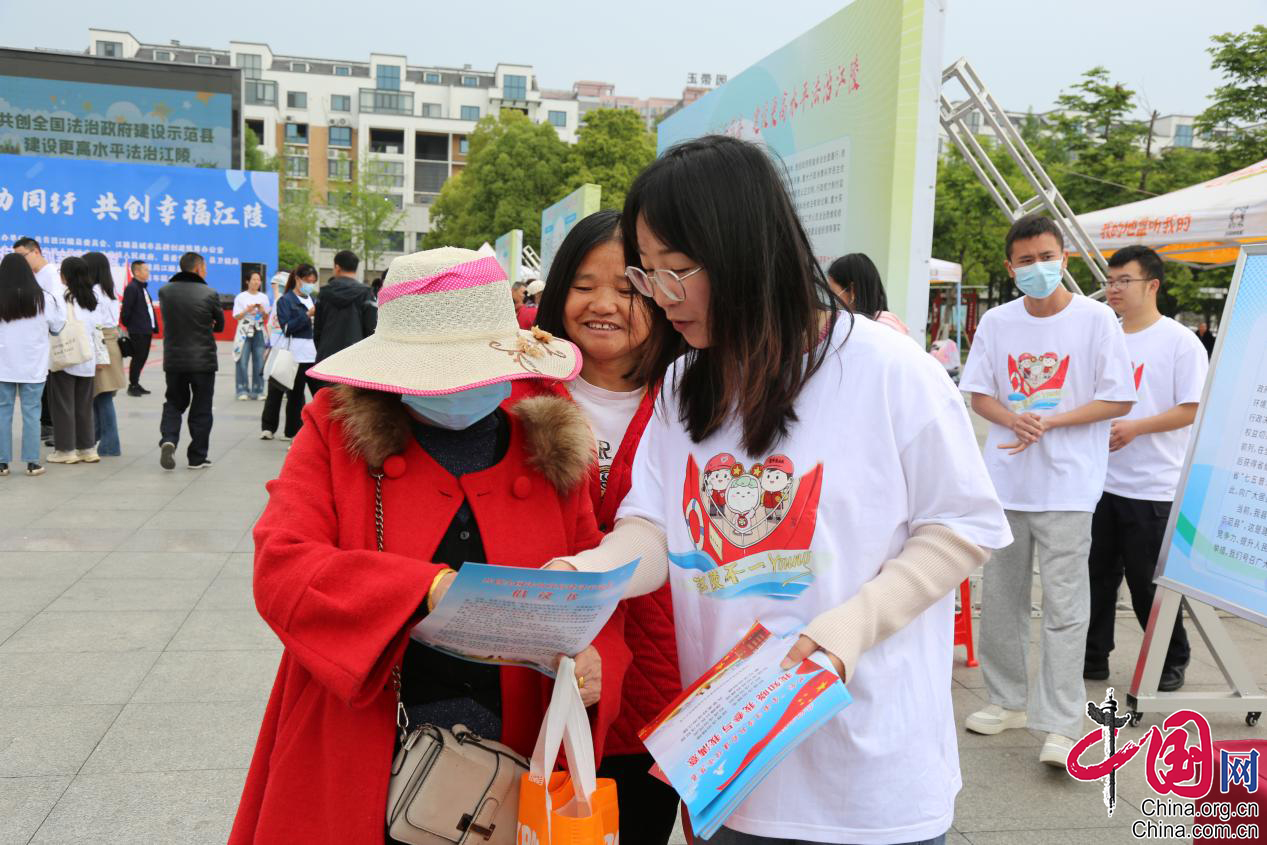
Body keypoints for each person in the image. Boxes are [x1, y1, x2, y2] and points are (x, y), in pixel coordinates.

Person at [548, 136, 1010, 845]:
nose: (660, 297)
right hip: (729, 766)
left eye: (675, 271)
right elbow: (654, 529)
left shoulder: (888, 370)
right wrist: (585, 574)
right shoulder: (684, 383)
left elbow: (962, 526)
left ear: (744, 253)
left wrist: (850, 629)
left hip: (865, 774)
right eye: (649, 273)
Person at [229, 246, 630, 845]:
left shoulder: (549, 445)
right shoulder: (335, 430)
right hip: (366, 743)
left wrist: (598, 659)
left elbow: (594, 587)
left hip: (514, 759)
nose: (457, 386)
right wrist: (426, 589)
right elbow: (283, 565)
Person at [515, 210, 682, 845]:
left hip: (660, 678)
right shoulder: (518, 393)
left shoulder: (694, 395)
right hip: (542, 673)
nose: (603, 304)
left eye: (628, 288)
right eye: (584, 285)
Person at [959, 214, 1136, 768]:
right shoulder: (997, 322)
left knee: (1065, 607)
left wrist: (1053, 420)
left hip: (1068, 487)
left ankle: (1060, 723)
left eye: (1046, 257)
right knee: (1002, 599)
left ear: (1064, 258)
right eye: (1026, 260)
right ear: (1010, 267)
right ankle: (1007, 700)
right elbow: (979, 394)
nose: (1038, 267)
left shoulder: (1096, 320)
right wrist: (1013, 418)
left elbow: (1119, 398)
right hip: (1007, 486)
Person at [1086, 245, 1208, 692]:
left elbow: (1193, 408)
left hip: (1153, 485)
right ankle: (1093, 656)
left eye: (1124, 280)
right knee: (1096, 577)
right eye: (1110, 280)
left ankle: (1171, 659)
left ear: (1152, 285)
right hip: (1100, 482)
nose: (1113, 289)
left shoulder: (1179, 341)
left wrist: (1137, 427)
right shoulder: (1105, 336)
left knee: (1146, 582)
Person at [157, 252, 223, 470]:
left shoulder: (165, 291)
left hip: (174, 360)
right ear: (197, 268)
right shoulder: (209, 293)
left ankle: (169, 438)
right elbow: (220, 325)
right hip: (203, 361)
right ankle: (197, 457)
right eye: (205, 268)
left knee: (174, 402)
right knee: (201, 407)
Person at [0, 253, 64, 476]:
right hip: (33, 365)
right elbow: (57, 327)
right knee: (31, 413)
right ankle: (32, 463)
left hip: (3, 365)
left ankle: (2, 463)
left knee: (2, 412)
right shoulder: (44, 298)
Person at [46, 256, 108, 464]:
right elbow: (98, 329)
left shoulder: (58, 297)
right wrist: (100, 357)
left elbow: (52, 324)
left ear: (64, 275)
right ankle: (87, 449)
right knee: (84, 406)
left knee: (63, 405)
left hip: (66, 356)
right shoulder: (92, 298)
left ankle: (66, 450)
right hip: (87, 357)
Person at [259, 264, 318, 441]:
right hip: (290, 351)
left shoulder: (312, 299)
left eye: (313, 282)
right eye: (307, 281)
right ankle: (268, 427)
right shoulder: (285, 300)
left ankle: (292, 431)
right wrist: (307, 315)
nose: (310, 285)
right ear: (298, 279)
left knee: (297, 394)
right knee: (277, 389)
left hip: (310, 353)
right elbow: (286, 327)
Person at [13, 237, 60, 445]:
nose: (20, 261)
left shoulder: (51, 275)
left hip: (52, 340)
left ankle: (53, 427)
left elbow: (57, 312)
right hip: (37, 342)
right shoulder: (36, 276)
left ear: (36, 252)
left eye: (22, 255)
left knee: (50, 387)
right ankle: (46, 425)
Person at [311, 249, 375, 391]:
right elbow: (370, 329)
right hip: (355, 358)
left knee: (326, 400)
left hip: (327, 357)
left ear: (337, 267)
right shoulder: (365, 293)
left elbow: (317, 330)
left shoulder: (324, 293)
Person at [83, 252, 124, 457]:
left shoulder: (94, 293)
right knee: (100, 395)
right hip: (110, 343)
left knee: (103, 396)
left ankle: (110, 445)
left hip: (101, 344)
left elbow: (94, 325)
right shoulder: (108, 291)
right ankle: (95, 438)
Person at [827, 252, 909, 334]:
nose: (832, 301)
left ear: (852, 290)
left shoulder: (883, 325)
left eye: (833, 293)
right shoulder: (856, 323)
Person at [121, 259, 158, 395]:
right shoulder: (132, 288)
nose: (148, 272)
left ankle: (136, 383)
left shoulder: (142, 288)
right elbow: (126, 311)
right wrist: (131, 326)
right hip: (138, 330)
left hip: (146, 329)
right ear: (136, 272)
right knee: (138, 357)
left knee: (142, 357)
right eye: (145, 270)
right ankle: (133, 385)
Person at [233, 270, 271, 400]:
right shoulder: (241, 297)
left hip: (259, 330)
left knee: (259, 361)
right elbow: (236, 316)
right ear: (247, 281)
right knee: (242, 360)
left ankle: (258, 390)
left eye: (258, 280)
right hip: (244, 330)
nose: (256, 282)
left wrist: (262, 311)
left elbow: (266, 317)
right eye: (254, 279)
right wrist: (247, 310)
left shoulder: (264, 297)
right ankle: (242, 390)